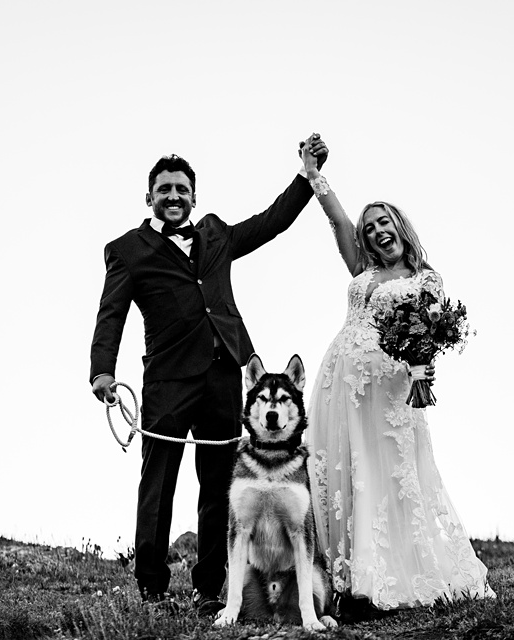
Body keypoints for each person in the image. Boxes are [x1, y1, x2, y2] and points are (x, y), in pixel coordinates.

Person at [89, 137, 329, 615]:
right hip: (167, 383)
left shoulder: (216, 234)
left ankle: (210, 588)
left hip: (224, 377)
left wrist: (306, 176)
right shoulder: (127, 250)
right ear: (149, 197)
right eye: (164, 189)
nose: (173, 196)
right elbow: (110, 312)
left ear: (194, 197)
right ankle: (152, 589)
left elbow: (270, 224)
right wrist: (102, 370)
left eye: (181, 189)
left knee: (220, 486)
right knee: (158, 483)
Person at [299, 148, 494, 617]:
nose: (375, 231)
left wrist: (422, 371)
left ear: (400, 227)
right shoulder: (361, 271)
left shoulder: (426, 279)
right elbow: (339, 222)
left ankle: (384, 575)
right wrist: (312, 175)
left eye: (382, 222)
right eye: (369, 228)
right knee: (339, 470)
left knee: (384, 474)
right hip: (337, 384)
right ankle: (342, 577)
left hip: (387, 391)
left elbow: (427, 338)